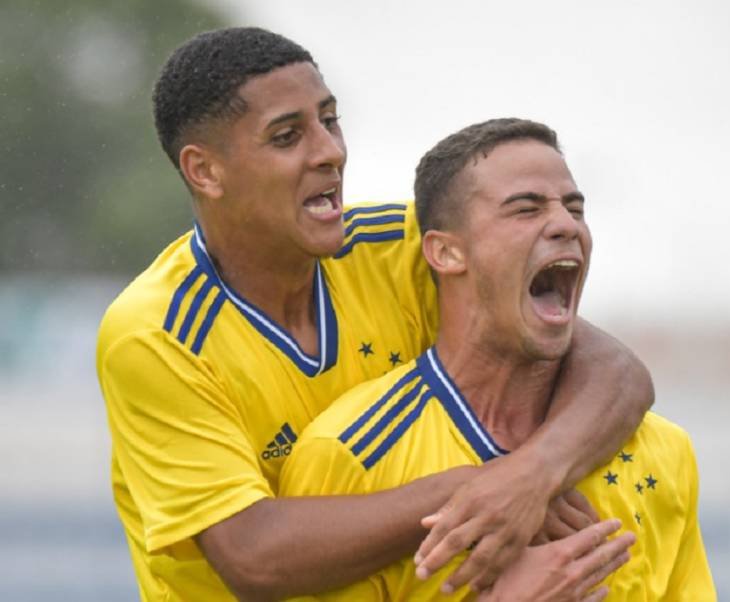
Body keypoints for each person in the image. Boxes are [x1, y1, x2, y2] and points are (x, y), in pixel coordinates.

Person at [96, 27, 653, 601]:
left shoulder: (399, 244)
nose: (331, 151)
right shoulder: (154, 334)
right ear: (206, 172)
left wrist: (531, 475)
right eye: (288, 136)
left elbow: (614, 369)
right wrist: (475, 490)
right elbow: (254, 557)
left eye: (330, 121)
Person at [281, 118, 716, 600]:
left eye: (575, 208)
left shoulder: (662, 451)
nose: (565, 225)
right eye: (525, 209)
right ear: (445, 253)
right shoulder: (347, 456)